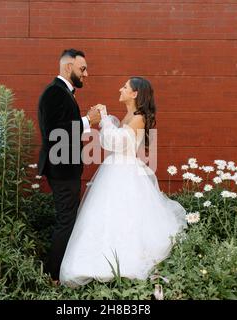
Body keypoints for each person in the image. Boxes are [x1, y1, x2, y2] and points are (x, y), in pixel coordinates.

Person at [59, 77, 187, 287]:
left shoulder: (138, 117)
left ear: (135, 94)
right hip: (115, 169)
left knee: (123, 216)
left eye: (125, 87)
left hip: (124, 172)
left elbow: (115, 141)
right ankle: (98, 259)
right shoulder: (130, 115)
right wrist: (107, 118)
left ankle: (122, 262)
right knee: (108, 215)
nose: (120, 89)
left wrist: (104, 118)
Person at [37, 49, 101, 283]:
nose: (86, 74)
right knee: (67, 220)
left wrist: (84, 121)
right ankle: (53, 276)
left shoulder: (63, 92)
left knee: (67, 218)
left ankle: (57, 272)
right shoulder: (55, 92)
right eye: (82, 69)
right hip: (62, 169)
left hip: (64, 168)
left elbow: (63, 126)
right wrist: (87, 120)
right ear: (68, 67)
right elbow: (55, 132)